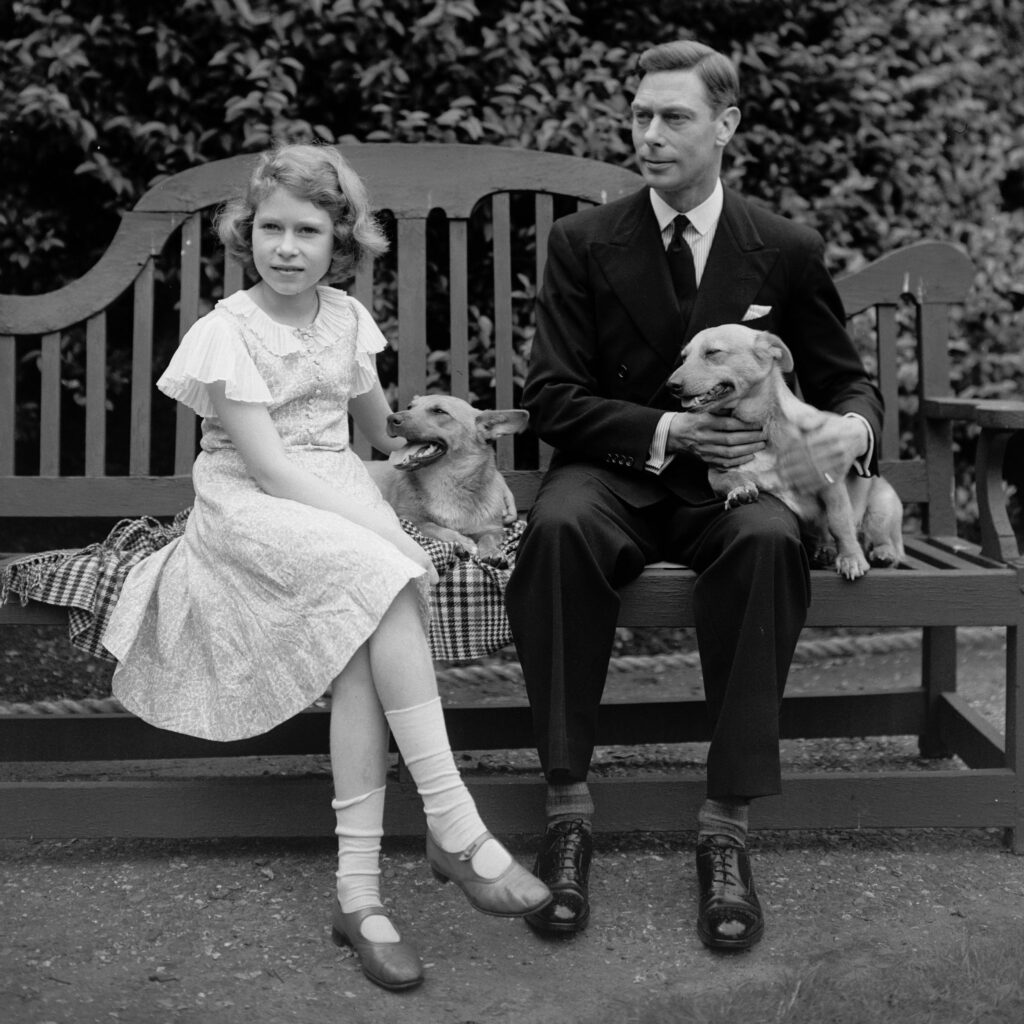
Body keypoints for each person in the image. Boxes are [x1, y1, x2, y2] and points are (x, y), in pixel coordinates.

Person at [103, 143, 550, 991]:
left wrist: (459, 454)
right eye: (270, 226)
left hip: (340, 494)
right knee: (383, 576)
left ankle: (359, 896)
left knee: (364, 649)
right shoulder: (226, 332)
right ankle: (456, 829)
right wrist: (388, 534)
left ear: (339, 241)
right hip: (253, 506)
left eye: (307, 230)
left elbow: (382, 435)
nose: (286, 247)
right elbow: (271, 470)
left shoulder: (346, 319)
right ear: (247, 233)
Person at [505, 40, 883, 950]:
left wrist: (854, 432)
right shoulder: (582, 243)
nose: (650, 133)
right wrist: (667, 430)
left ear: (726, 126)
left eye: (673, 117)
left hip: (744, 481)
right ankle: (567, 813)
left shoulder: (784, 249)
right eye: (640, 116)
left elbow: (846, 382)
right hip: (617, 473)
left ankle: (726, 828)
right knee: (555, 529)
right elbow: (551, 398)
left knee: (766, 542)